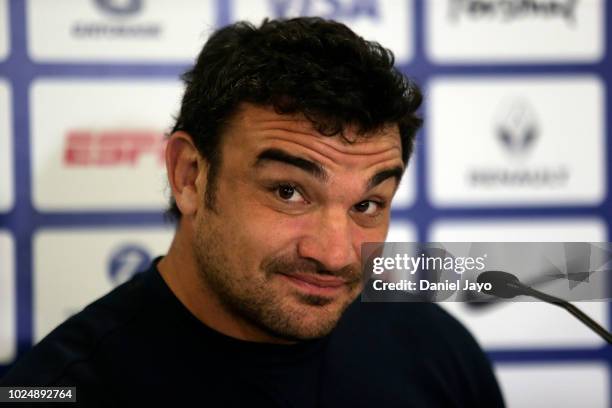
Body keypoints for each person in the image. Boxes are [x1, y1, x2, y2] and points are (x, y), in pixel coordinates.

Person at [1, 17, 504, 407]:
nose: (335, 254)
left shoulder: (437, 350)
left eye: (367, 205)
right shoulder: (56, 388)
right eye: (289, 191)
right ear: (190, 176)